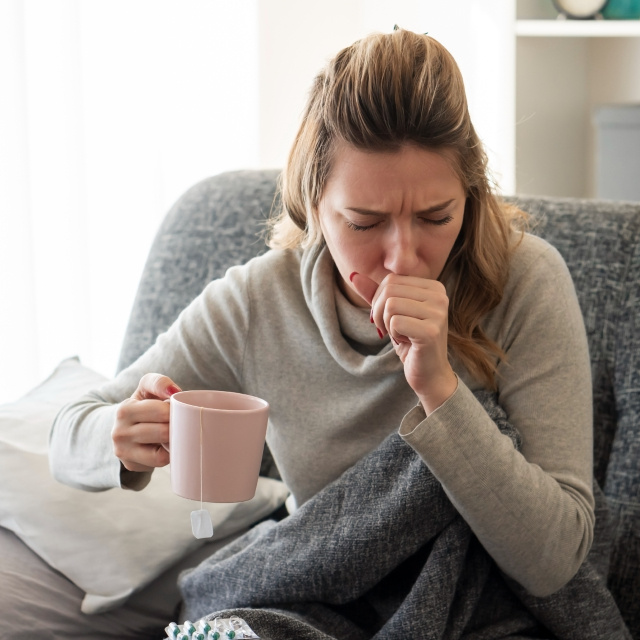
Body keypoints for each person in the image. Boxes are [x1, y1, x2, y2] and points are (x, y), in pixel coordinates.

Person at [45, 27, 595, 636]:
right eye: (365, 222)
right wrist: (118, 438)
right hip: (315, 603)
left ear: (470, 197)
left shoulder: (525, 280)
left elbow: (553, 562)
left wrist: (441, 390)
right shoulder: (260, 300)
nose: (403, 258)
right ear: (313, 202)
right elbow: (69, 431)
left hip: (482, 607)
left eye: (436, 217)